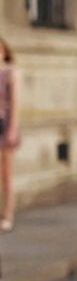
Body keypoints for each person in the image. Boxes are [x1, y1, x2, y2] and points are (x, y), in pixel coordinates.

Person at [0, 36, 19, 232]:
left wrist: (12, 130)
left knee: (6, 174)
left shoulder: (10, 73)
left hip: (5, 125)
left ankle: (7, 215)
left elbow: (15, 103)